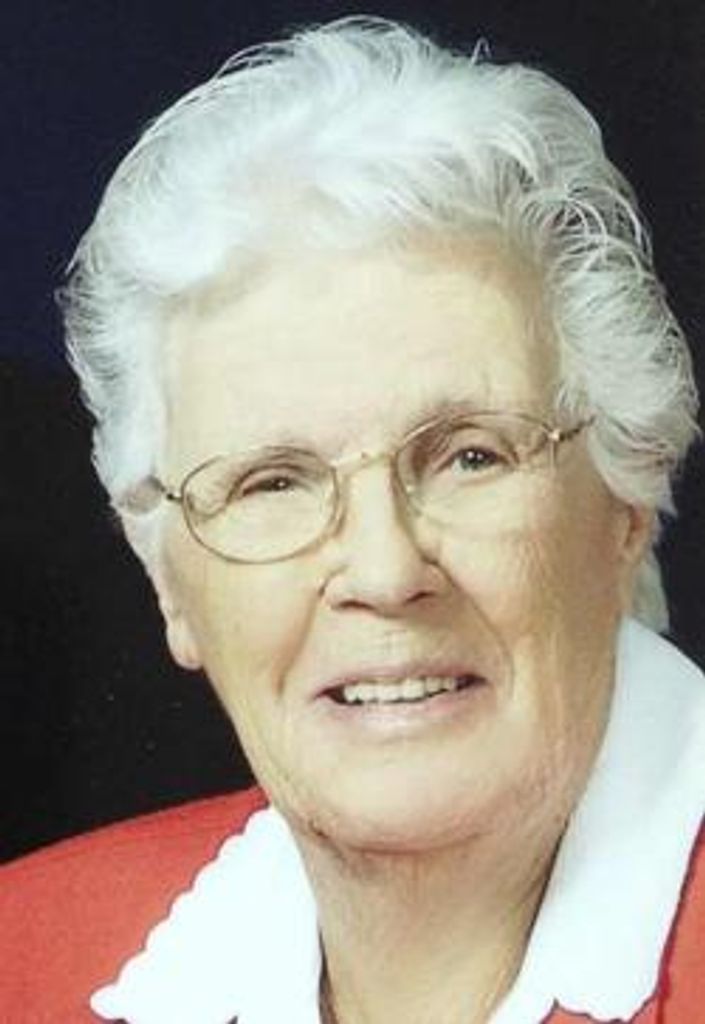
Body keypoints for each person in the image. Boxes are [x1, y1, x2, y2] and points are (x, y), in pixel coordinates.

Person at [2, 16, 703, 1024]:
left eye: (469, 456)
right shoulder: (25, 960)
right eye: (271, 482)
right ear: (170, 583)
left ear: (623, 503)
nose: (383, 570)